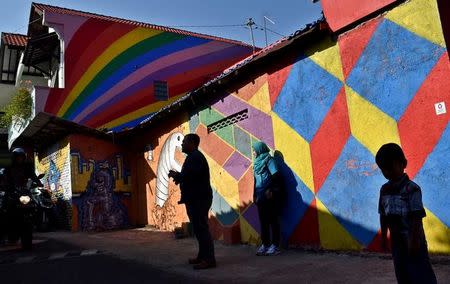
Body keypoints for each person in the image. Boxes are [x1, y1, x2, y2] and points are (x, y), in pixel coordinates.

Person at [376, 143, 437, 284]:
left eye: (390, 167)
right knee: (402, 272)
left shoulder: (412, 189)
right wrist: (384, 237)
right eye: (383, 169)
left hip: (414, 241)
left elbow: (416, 217)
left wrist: (414, 241)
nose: (387, 172)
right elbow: (383, 215)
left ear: (403, 164)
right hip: (397, 243)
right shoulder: (384, 190)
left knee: (422, 273)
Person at [168, 134, 216, 270]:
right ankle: (202, 256)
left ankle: (209, 259)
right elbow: (188, 177)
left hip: (199, 198)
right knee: (198, 229)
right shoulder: (192, 157)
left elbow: (190, 177)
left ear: (193, 143)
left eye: (184, 142)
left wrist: (177, 175)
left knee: (202, 229)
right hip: (195, 198)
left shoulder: (195, 157)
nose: (182, 144)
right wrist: (178, 177)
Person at [4, 148, 43, 250]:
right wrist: (6, 185)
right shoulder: (9, 168)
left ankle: (38, 223)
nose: (20, 159)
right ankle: (5, 228)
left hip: (24, 192)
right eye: (18, 157)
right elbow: (6, 179)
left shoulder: (27, 167)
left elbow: (33, 176)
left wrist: (38, 182)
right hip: (13, 192)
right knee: (5, 206)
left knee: (36, 205)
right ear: (14, 158)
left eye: (22, 157)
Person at [252, 142, 283, 256]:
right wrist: (254, 195)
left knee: (273, 221)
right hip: (260, 197)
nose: (253, 152)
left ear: (260, 149)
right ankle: (265, 244)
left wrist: (272, 190)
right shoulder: (256, 164)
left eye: (254, 150)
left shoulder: (270, 160)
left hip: (270, 196)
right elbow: (255, 181)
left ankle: (275, 246)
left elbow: (276, 176)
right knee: (263, 222)